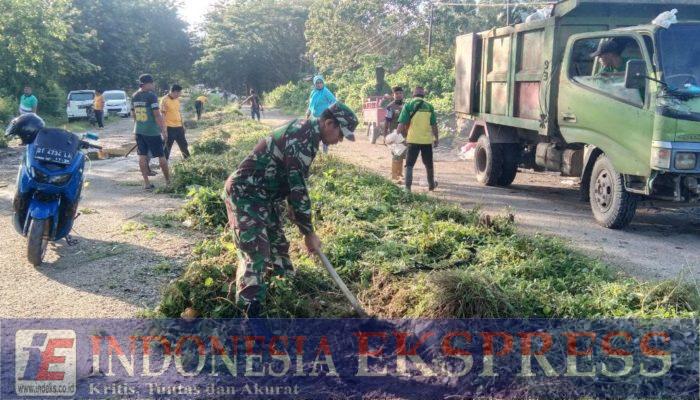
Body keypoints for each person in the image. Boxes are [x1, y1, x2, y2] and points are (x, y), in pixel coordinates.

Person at [224, 102, 358, 317]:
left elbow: (289, 181)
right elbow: (298, 190)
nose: (340, 140)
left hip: (266, 196)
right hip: (246, 194)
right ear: (329, 123)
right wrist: (308, 233)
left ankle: (286, 299)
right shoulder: (302, 137)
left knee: (279, 247)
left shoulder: (309, 135)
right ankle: (250, 317)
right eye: (341, 134)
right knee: (257, 252)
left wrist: (295, 212)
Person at [131, 74, 170, 190]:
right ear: (147, 84)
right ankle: (168, 182)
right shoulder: (151, 96)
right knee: (161, 155)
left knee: (142, 156)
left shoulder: (134, 96)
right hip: (152, 131)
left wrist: (137, 128)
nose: (154, 85)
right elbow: (157, 115)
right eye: (152, 83)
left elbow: (133, 115)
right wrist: (163, 130)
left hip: (139, 130)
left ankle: (147, 184)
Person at [397, 86, 439, 192]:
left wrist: (397, 137)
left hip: (413, 140)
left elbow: (401, 124)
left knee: (409, 164)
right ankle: (431, 185)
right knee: (428, 163)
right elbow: (434, 125)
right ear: (423, 95)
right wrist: (436, 138)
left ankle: (407, 188)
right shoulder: (429, 106)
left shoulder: (408, 105)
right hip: (426, 141)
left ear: (413, 94)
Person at [306, 75, 337, 154]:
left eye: (320, 82)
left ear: (323, 83)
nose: (319, 84)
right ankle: (314, 152)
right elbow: (311, 104)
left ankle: (325, 153)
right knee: (313, 134)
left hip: (324, 117)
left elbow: (334, 101)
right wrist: (308, 113)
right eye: (317, 83)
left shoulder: (326, 91)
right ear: (314, 84)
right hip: (314, 117)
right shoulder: (313, 92)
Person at [161, 84, 189, 160]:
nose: (179, 95)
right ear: (175, 92)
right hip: (169, 128)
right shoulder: (165, 100)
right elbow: (162, 115)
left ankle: (188, 161)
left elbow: (178, 112)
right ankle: (164, 164)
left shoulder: (177, 100)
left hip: (179, 127)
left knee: (184, 145)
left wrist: (183, 125)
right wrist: (164, 129)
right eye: (179, 93)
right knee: (167, 148)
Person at [384, 86, 405, 182]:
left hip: (405, 134)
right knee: (396, 154)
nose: (399, 95)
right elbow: (387, 121)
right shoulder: (390, 107)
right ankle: (394, 175)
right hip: (394, 134)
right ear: (393, 95)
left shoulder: (406, 106)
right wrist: (385, 135)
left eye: (400, 93)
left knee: (402, 154)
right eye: (396, 94)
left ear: (403, 94)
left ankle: (399, 174)